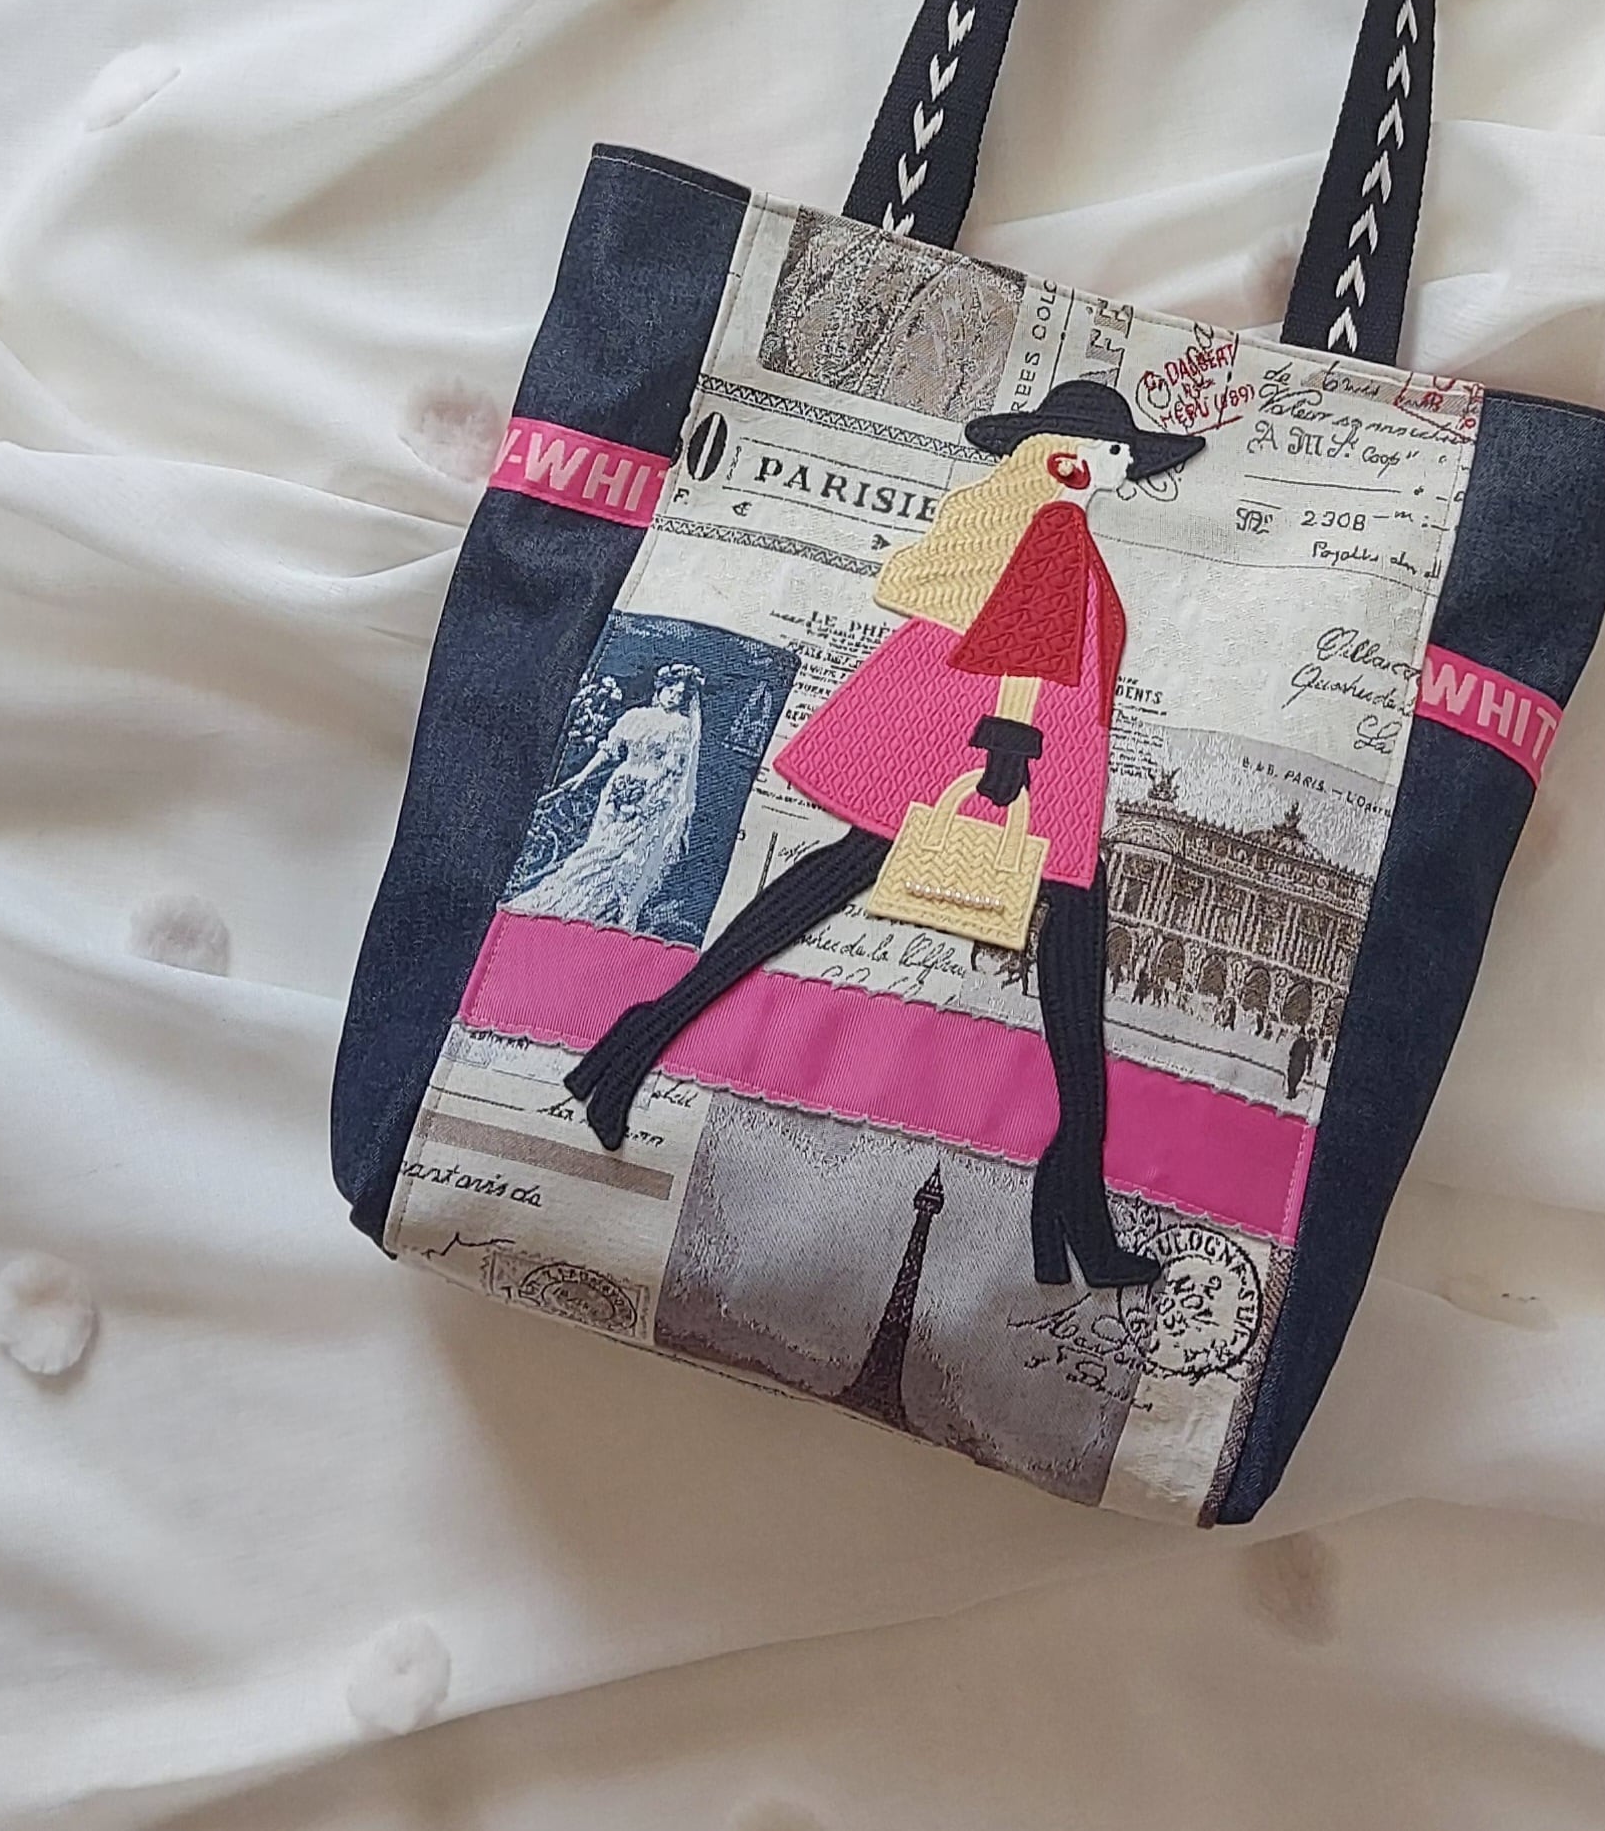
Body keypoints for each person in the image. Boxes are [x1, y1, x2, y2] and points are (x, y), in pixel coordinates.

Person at [565, 381, 1206, 1289]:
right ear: (1063, 454)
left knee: (859, 872)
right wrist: (1008, 748)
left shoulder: (1051, 520)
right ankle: (1073, 1205)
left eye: (1123, 457)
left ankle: (640, 1036)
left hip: (1016, 736)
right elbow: (1025, 644)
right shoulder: (1055, 525)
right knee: (1050, 928)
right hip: (1012, 738)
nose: (1119, 468)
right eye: (1110, 453)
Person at [507, 663, 703, 935]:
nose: (673, 697)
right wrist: (582, 776)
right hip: (617, 788)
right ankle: (566, 896)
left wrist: (649, 798)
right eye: (671, 689)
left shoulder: (679, 726)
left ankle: (609, 908)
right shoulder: (635, 716)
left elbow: (672, 769)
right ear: (661, 687)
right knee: (598, 844)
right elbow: (610, 750)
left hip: (651, 794)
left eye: (680, 694)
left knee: (624, 853)